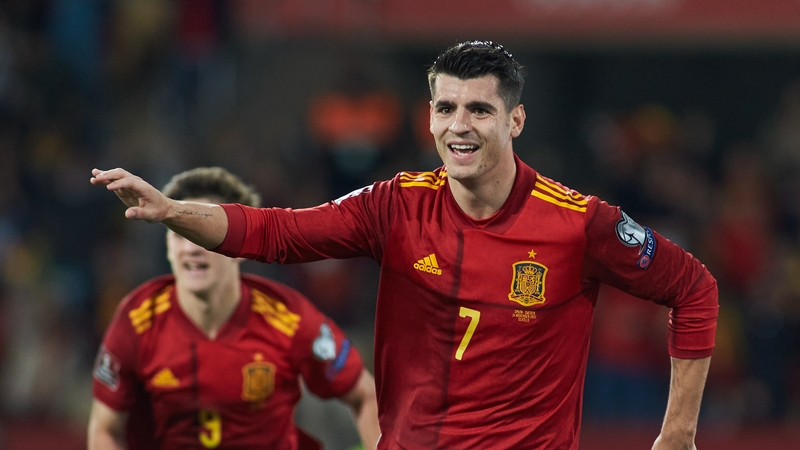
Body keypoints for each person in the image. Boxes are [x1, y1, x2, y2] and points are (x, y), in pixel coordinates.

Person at [90, 41, 719, 449]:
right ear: (428, 116)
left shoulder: (578, 223)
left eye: (479, 109)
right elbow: (277, 232)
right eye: (445, 108)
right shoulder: (394, 204)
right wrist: (172, 211)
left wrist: (679, 431)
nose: (459, 126)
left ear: (515, 121)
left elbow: (693, 289)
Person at [87, 167, 381, 450]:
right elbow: (104, 429)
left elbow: (365, 394)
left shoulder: (288, 318)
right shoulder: (137, 321)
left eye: (200, 236)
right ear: (167, 247)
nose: (190, 248)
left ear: (239, 248)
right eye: (179, 235)